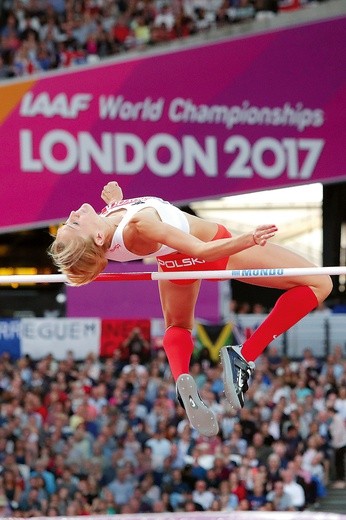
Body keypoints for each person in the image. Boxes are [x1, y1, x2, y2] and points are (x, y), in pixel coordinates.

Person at [48, 181, 332, 437]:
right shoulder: (140, 227)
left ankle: (182, 377)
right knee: (320, 284)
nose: (72, 216)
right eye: (74, 225)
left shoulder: (107, 231)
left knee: (178, 326)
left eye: (68, 222)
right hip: (210, 249)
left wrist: (115, 203)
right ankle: (243, 355)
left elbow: (108, 233)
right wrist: (248, 238)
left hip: (173, 264)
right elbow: (201, 251)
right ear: (97, 238)